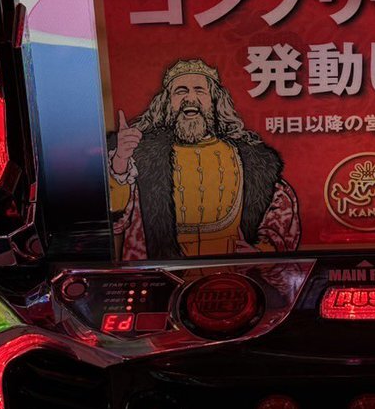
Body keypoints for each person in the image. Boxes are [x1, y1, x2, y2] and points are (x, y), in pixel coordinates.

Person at [108, 59, 299, 259]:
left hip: (233, 269)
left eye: (199, 91)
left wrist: (260, 252)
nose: (190, 98)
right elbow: (117, 219)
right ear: (166, 102)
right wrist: (121, 159)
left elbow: (281, 217)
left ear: (215, 100)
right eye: (180, 91)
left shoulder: (252, 159)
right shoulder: (143, 157)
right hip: (168, 270)